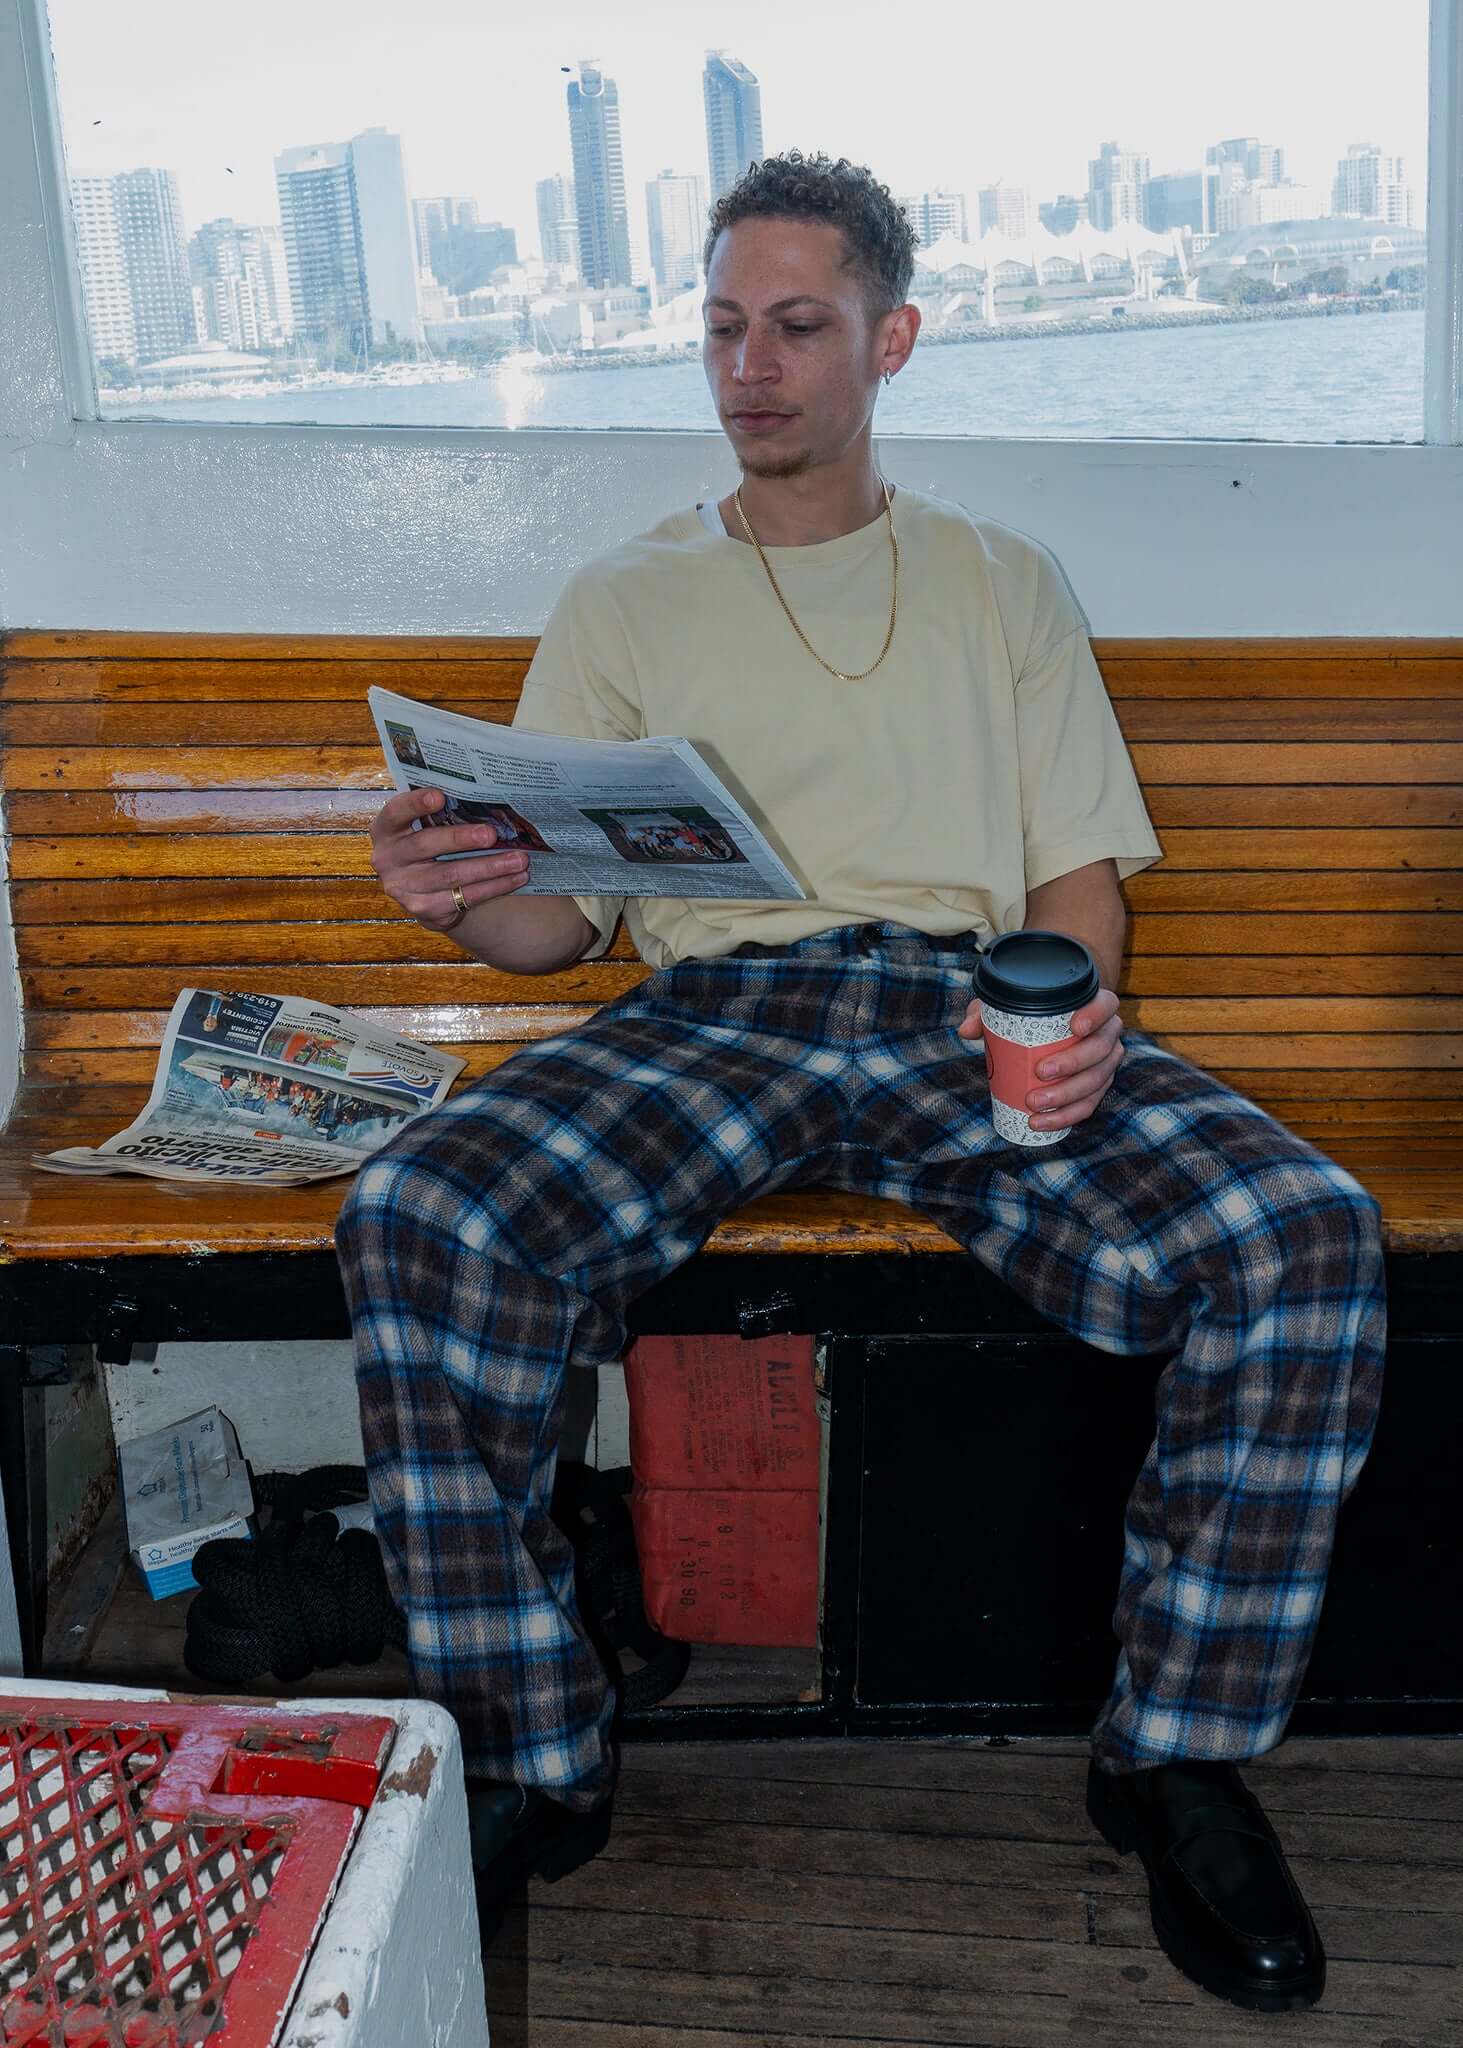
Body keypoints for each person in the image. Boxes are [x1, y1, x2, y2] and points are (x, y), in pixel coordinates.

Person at [338, 152, 1385, 2013]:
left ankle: (1175, 1761)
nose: (752, 367)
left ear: (889, 340)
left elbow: (1077, 881)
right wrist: (455, 892)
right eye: (724, 327)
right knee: (423, 1210)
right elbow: (554, 935)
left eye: (799, 325)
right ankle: (526, 1757)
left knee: (1303, 1235)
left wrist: (1075, 1023)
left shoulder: (997, 580)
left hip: (956, 1009)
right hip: (715, 1016)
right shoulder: (625, 596)